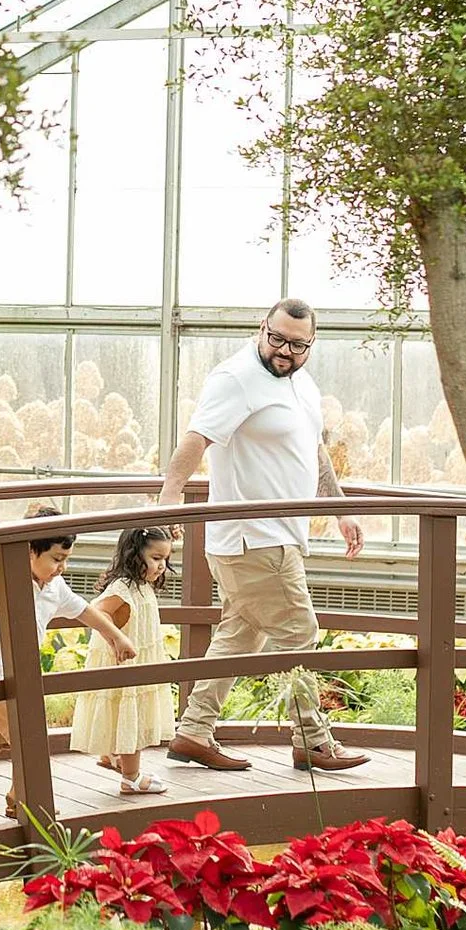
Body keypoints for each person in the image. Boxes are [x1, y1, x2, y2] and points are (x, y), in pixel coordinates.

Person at [159, 300, 370, 774]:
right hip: (253, 537)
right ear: (262, 328)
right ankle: (311, 740)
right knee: (300, 631)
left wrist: (340, 510)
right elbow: (198, 436)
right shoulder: (235, 379)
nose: (284, 351)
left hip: (279, 536)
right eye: (276, 338)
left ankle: (193, 732)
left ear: (310, 345)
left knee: (240, 634)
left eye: (297, 344)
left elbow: (313, 450)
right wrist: (171, 491)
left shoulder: (302, 384)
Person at [0, 508, 135, 810]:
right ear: (31, 550)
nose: (63, 567)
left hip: (20, 676)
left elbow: (84, 610)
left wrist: (116, 637)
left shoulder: (54, 586)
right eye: (57, 559)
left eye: (66, 559)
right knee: (30, 738)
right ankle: (27, 801)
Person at [73, 526, 179, 797]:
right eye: (156, 558)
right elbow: (97, 612)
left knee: (128, 715)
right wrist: (117, 638)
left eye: (166, 559)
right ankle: (131, 778)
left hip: (138, 661)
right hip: (125, 665)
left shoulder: (142, 586)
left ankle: (112, 756)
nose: (162, 566)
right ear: (135, 554)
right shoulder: (123, 588)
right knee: (131, 717)